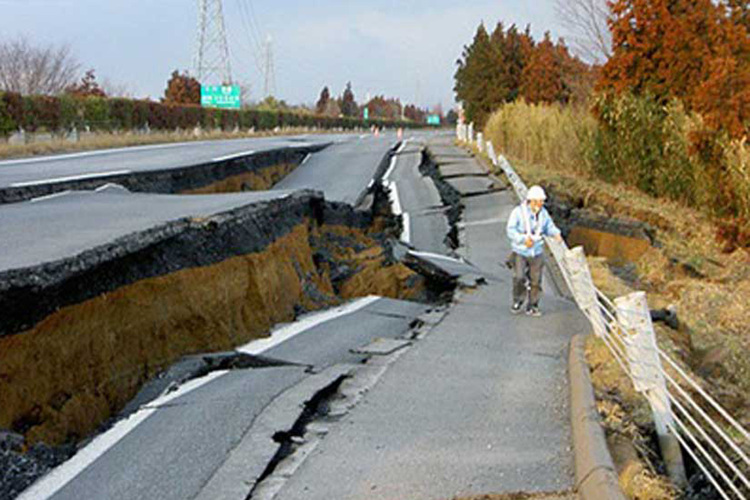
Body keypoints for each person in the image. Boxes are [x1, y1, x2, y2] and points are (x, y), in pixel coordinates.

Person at [505, 185, 563, 316]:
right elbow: (511, 230)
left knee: (536, 280)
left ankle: (533, 305)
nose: (541, 204)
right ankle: (518, 300)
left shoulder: (543, 214)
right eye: (539, 201)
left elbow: (549, 226)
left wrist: (556, 234)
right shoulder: (518, 213)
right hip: (520, 251)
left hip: (536, 252)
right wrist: (523, 239)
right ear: (531, 201)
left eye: (542, 201)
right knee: (519, 277)